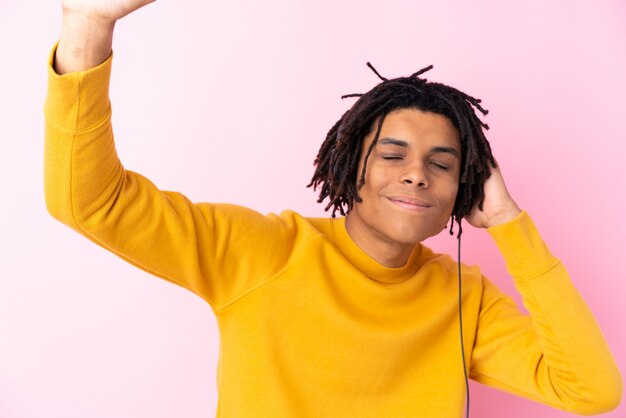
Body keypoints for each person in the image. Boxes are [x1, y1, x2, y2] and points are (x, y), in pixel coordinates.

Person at [44, 1, 622, 417]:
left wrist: (509, 225)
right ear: (351, 168)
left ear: (463, 190)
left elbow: (590, 391)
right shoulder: (261, 252)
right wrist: (88, 25)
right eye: (392, 153)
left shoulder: (463, 298)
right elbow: (90, 202)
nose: (417, 172)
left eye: (443, 164)